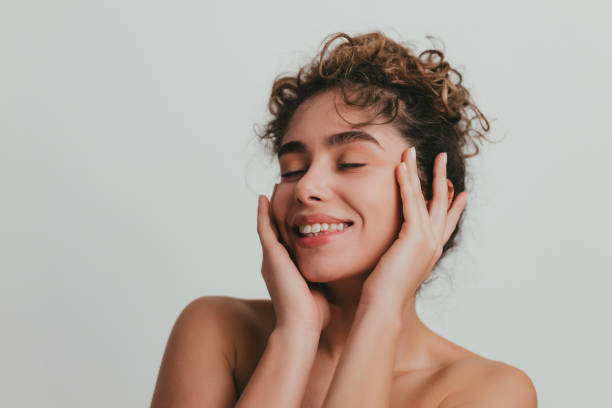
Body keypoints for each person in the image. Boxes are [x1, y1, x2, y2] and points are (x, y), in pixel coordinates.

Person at [150, 31, 537, 407]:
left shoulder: (489, 392)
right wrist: (294, 336)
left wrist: (381, 308)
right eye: (292, 169)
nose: (306, 188)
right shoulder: (217, 331)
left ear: (431, 198)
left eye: (350, 163)